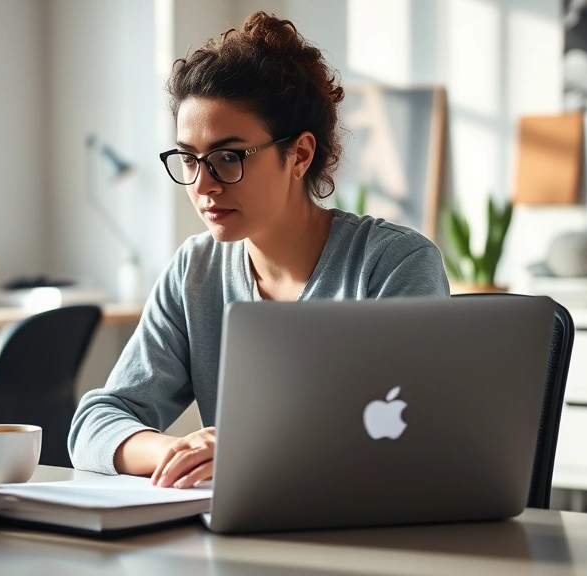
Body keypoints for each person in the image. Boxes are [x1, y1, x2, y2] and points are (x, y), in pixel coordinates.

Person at [67, 12, 450, 488]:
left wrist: (243, 449)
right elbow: (94, 424)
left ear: (301, 154)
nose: (203, 185)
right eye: (189, 158)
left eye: (228, 158)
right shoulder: (195, 270)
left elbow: (407, 437)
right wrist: (182, 453)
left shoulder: (393, 265)